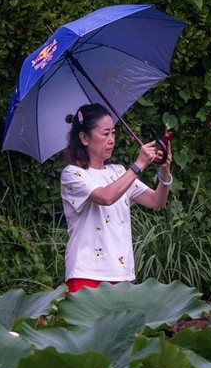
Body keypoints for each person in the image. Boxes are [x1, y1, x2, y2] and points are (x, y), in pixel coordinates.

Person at [59, 103, 173, 292]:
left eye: (113, 132)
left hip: (121, 272)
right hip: (86, 274)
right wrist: (139, 165)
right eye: (105, 134)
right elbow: (105, 196)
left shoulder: (118, 171)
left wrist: (165, 171)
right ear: (84, 138)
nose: (111, 139)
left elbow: (156, 201)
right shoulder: (73, 174)